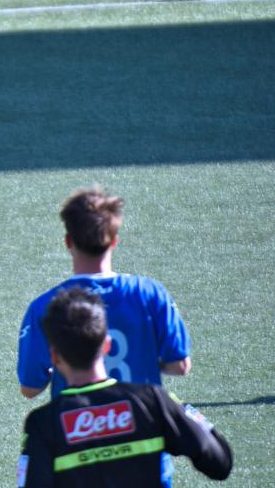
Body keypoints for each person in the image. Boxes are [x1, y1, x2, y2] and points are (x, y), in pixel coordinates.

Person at [17, 186, 192, 487]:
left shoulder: (46, 306)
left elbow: (31, 387)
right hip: (145, 458)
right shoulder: (150, 294)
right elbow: (180, 365)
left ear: (68, 242)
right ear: (114, 240)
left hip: (79, 458)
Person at [18, 286, 232, 487]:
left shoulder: (42, 424)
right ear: (107, 345)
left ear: (54, 356)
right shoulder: (152, 401)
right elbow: (220, 462)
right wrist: (181, 410)